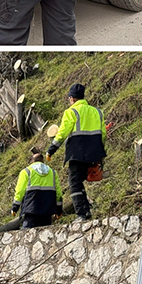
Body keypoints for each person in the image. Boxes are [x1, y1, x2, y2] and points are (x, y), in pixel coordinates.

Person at [47, 83, 105, 221]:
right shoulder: (98, 112)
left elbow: (62, 133)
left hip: (77, 153)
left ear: (72, 98)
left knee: (74, 183)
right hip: (94, 153)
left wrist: (51, 149)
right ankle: (86, 210)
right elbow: (103, 134)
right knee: (80, 182)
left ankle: (82, 213)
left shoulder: (71, 112)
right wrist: (100, 154)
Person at [11, 149, 61, 229]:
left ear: (31, 162)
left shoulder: (26, 171)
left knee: (27, 236)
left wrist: (15, 207)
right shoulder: (53, 172)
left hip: (31, 210)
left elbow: (20, 191)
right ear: (43, 161)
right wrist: (59, 209)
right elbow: (58, 193)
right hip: (47, 211)